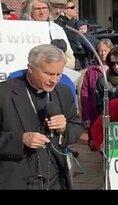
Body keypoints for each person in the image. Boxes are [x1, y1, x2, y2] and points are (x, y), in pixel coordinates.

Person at [0, 44, 83, 189]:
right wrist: (20, 140)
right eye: (49, 74)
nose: (54, 80)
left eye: (59, 74)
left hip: (54, 178)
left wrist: (64, 128)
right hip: (15, 179)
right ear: (31, 68)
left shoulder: (62, 92)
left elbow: (76, 125)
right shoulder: (4, 93)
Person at [80, 38, 114, 151]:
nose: (103, 53)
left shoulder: (116, 68)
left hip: (113, 112)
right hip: (95, 113)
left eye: (106, 50)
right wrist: (86, 117)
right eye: (100, 51)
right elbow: (85, 93)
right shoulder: (91, 71)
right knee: (96, 146)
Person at [21, 0, 76, 69]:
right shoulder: (22, 28)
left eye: (44, 8)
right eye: (37, 9)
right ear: (30, 11)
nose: (42, 12)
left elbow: (69, 55)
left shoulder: (57, 29)